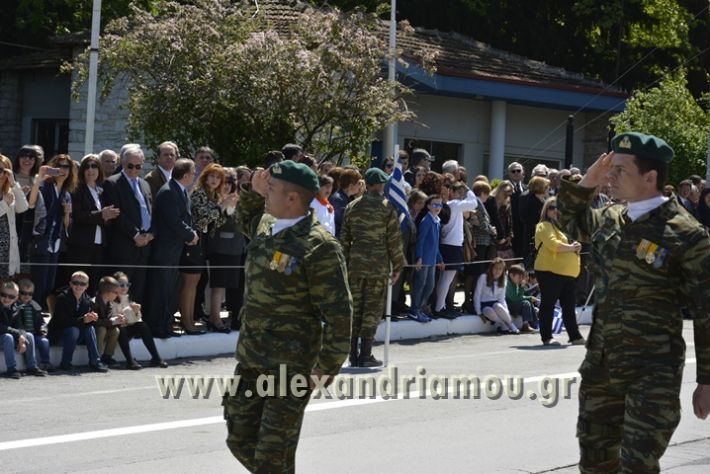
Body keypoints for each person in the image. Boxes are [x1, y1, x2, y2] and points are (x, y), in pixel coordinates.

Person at [557, 131, 710, 472]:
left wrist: (707, 381)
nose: (610, 176)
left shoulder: (687, 234)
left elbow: (706, 312)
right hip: (602, 367)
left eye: (620, 170)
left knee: (637, 465)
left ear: (650, 177)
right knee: (595, 464)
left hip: (653, 372)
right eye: (610, 168)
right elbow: (568, 221)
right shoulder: (611, 219)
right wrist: (587, 181)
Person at [223, 160, 352, 473]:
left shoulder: (318, 245)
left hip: (290, 368)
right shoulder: (268, 226)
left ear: (293, 198)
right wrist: (253, 189)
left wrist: (326, 368)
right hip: (252, 358)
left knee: (272, 454)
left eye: (272, 189)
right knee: (239, 438)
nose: (267, 193)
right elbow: (249, 217)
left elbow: (339, 313)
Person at [340, 167, 404, 367]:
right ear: (376, 185)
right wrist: (398, 266)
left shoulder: (352, 206)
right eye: (382, 183)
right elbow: (394, 240)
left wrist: (345, 264)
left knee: (356, 309)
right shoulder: (386, 208)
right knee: (372, 310)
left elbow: (344, 239)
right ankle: (365, 354)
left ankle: (352, 354)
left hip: (355, 265)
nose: (384, 186)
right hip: (377, 266)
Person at [146, 158, 199, 337]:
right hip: (165, 248)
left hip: (174, 248)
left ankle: (166, 324)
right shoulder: (169, 191)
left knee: (169, 287)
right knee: (161, 287)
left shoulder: (180, 190)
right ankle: (157, 326)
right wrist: (191, 235)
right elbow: (174, 220)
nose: (194, 176)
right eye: (193, 173)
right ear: (185, 175)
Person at [102, 146, 153, 305]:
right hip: (124, 245)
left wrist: (151, 233)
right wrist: (135, 234)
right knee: (120, 290)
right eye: (130, 166)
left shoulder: (145, 184)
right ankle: (120, 326)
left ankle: (134, 325)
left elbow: (151, 211)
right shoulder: (112, 183)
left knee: (139, 288)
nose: (133, 170)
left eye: (138, 166)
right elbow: (117, 214)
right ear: (123, 163)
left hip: (144, 244)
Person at [188, 163, 236, 332]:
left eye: (218, 177)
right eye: (212, 176)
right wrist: (221, 207)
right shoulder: (199, 192)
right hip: (194, 241)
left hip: (206, 242)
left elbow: (217, 222)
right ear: (205, 177)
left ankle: (208, 318)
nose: (215, 180)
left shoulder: (215, 195)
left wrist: (227, 206)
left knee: (203, 281)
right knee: (193, 282)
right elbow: (202, 219)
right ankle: (191, 319)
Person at [66, 154, 120, 294]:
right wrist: (101, 214)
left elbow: (104, 216)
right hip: (81, 243)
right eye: (87, 167)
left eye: (94, 166)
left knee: (95, 280)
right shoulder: (77, 189)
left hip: (99, 243)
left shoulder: (101, 190)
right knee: (79, 280)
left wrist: (108, 217)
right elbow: (77, 216)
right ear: (82, 170)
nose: (91, 170)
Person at [533, 196, 584, 346]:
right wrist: (572, 247)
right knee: (548, 304)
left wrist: (576, 246)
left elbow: (567, 245)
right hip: (549, 271)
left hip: (566, 273)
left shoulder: (562, 227)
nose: (555, 210)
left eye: (558, 208)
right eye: (552, 207)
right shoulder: (543, 226)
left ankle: (574, 336)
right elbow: (554, 245)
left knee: (569, 305)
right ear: (546, 210)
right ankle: (547, 337)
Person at [28, 154, 76, 310]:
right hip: (41, 240)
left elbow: (66, 225)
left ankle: (40, 316)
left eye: (66, 167)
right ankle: (33, 316)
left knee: (49, 283)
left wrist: (67, 213)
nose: (63, 170)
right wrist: (39, 179)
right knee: (39, 283)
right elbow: (30, 203)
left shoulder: (67, 193)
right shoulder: (45, 186)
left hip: (55, 242)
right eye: (59, 166)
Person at [204, 169, 244, 333]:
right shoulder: (215, 200)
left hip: (236, 248)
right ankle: (215, 319)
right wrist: (224, 206)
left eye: (230, 183)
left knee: (229, 286)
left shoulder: (238, 200)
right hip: (219, 248)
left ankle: (223, 318)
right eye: (224, 183)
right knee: (218, 286)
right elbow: (213, 224)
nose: (227, 186)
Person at [47, 271, 108, 372]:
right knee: (73, 330)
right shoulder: (62, 298)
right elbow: (63, 322)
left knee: (90, 328)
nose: (78, 286)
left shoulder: (87, 300)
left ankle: (95, 361)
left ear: (87, 286)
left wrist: (92, 318)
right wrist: (83, 319)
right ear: (70, 284)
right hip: (59, 335)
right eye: (75, 283)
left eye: (82, 284)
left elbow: (85, 322)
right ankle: (65, 363)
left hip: (76, 335)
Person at [113, 271, 168, 369]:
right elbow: (115, 318)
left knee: (142, 325)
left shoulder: (128, 298)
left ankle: (156, 358)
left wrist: (136, 312)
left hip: (126, 327)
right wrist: (129, 311)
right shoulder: (111, 298)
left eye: (127, 284)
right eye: (121, 285)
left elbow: (137, 319)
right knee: (121, 328)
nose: (125, 287)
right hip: (115, 330)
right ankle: (130, 361)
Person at [1, 281, 48, 378]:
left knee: (29, 335)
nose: (6, 298)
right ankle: (11, 369)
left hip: (8, 336)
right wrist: (19, 335)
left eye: (11, 297)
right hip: (4, 336)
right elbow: (2, 327)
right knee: (8, 337)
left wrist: (22, 336)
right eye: (3, 295)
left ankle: (32, 366)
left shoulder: (16, 308)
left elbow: (20, 326)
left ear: (16, 297)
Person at [411, 194, 445, 322]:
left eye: (440, 205)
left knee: (430, 286)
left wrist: (440, 259)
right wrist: (419, 257)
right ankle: (414, 310)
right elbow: (420, 241)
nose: (437, 207)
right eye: (435, 205)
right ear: (429, 206)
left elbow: (435, 244)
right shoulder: (427, 221)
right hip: (424, 260)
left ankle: (419, 307)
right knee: (420, 284)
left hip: (431, 261)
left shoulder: (436, 221)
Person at [14, 278, 53, 371]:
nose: (27, 296)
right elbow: (16, 323)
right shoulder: (15, 306)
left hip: (34, 335)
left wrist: (43, 329)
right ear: (18, 292)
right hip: (21, 336)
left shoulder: (35, 306)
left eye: (30, 294)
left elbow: (41, 321)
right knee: (30, 336)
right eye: (24, 293)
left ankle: (45, 362)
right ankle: (31, 365)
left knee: (44, 341)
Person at [0, 154, 29, 279]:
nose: (1, 175)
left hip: (7, 251)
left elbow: (23, 207)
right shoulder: (6, 199)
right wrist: (4, 204)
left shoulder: (9, 192)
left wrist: (13, 184)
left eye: (4, 171)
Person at [473, 258, 519, 334]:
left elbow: (502, 298)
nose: (498, 271)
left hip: (495, 303)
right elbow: (477, 295)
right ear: (491, 268)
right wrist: (479, 312)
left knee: (498, 306)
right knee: (489, 311)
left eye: (500, 269)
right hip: (484, 304)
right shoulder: (483, 277)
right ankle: (503, 324)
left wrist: (506, 312)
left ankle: (511, 325)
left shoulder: (504, 279)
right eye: (496, 268)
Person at [519, 175, 549, 263]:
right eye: (546, 187)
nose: (548, 189)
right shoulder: (529, 201)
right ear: (540, 188)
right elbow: (525, 217)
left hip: (544, 236)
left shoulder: (544, 201)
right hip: (532, 236)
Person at [505, 265, 538, 332]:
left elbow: (519, 296)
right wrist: (528, 298)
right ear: (511, 275)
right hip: (508, 305)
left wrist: (528, 297)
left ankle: (535, 324)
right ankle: (526, 325)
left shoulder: (515, 283)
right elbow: (513, 299)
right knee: (526, 303)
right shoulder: (508, 284)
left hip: (513, 304)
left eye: (521, 277)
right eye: (519, 277)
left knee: (529, 301)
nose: (521, 279)